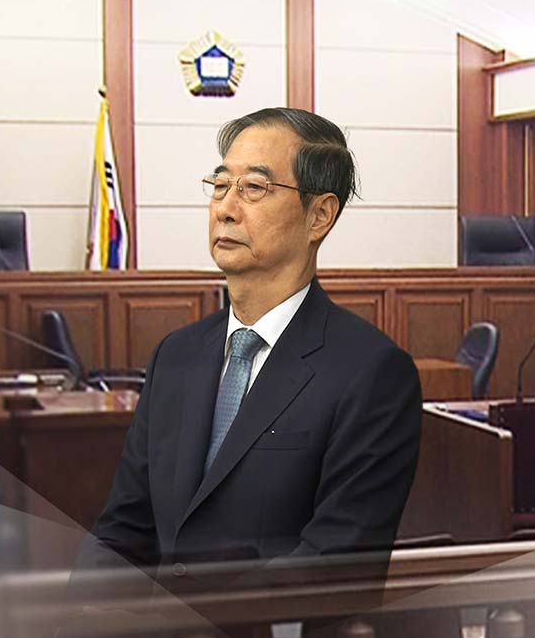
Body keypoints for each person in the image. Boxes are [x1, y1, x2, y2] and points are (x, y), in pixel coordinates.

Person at [75, 107, 422, 573]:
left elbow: (331, 567)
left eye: (254, 188)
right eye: (221, 185)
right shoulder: (175, 355)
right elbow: (124, 527)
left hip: (278, 623)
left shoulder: (371, 374)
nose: (225, 208)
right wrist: (87, 606)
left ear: (319, 215)